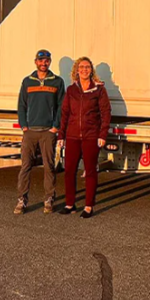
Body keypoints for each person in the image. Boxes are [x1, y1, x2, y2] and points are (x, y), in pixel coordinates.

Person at [57, 56, 112, 218]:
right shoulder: (71, 90)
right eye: (81, 67)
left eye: (87, 67)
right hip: (72, 136)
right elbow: (65, 113)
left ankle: (88, 206)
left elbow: (106, 113)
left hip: (91, 136)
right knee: (69, 171)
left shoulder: (99, 90)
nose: (84, 70)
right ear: (76, 70)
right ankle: (70, 204)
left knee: (90, 171)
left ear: (91, 70)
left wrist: (102, 134)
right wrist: (61, 135)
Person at [15, 49, 66, 215]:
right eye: (41, 60)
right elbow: (22, 105)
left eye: (47, 61)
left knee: (49, 166)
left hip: (47, 132)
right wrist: (24, 125)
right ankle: (22, 200)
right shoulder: (27, 82)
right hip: (30, 131)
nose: (43, 63)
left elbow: (61, 107)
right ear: (35, 61)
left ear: (50, 62)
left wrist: (55, 127)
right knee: (25, 166)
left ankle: (49, 198)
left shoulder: (57, 81)